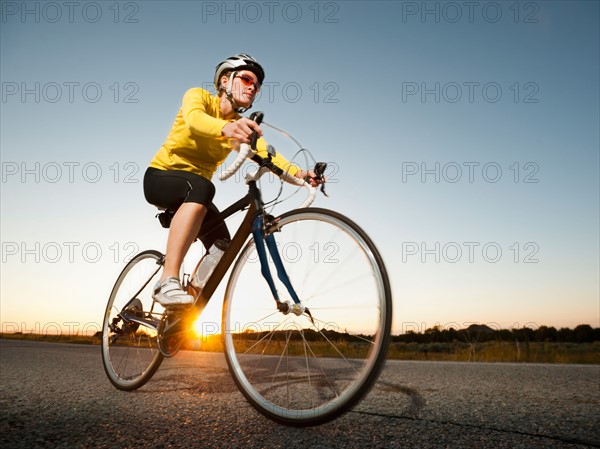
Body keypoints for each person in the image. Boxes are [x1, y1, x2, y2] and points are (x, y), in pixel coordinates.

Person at [143, 54, 320, 306]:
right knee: (203, 187)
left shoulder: (238, 124)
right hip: (160, 178)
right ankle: (167, 280)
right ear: (225, 81)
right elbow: (195, 120)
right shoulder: (198, 97)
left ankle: (183, 310)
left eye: (257, 86)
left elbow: (268, 155)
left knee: (221, 245)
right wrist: (226, 129)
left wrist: (300, 174)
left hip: (196, 194)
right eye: (246, 79)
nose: (253, 87)